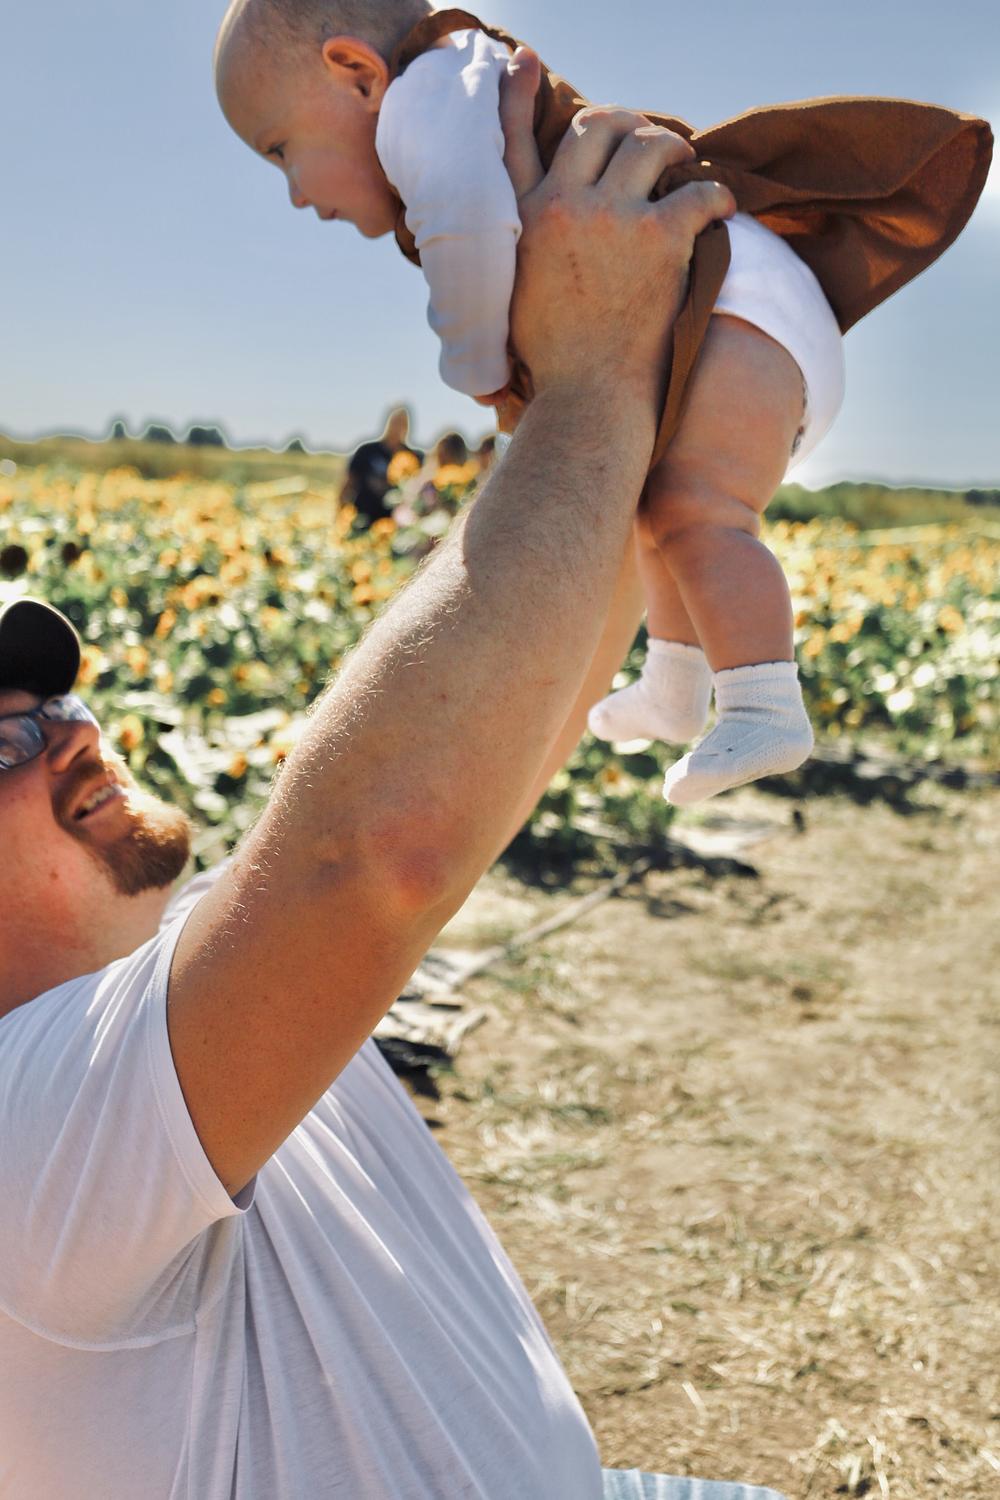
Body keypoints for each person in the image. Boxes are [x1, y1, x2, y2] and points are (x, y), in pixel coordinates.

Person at [0, 68, 788, 1499]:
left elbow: (515, 728)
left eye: (52, 694)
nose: (72, 730)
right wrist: (593, 383)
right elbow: (374, 854)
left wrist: (652, 398)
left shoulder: (179, 994)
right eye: (4, 741)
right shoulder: (24, 1137)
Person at [214, 0, 992, 806]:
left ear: (357, 74)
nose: (295, 194)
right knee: (660, 510)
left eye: (281, 151)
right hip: (741, 306)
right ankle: (675, 684)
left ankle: (763, 707)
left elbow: (467, 222)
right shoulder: (463, 80)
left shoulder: (425, 96)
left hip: (736, 306)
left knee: (702, 512)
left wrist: (476, 361)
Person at [339, 403, 424, 526]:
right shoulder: (367, 451)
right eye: (395, 422)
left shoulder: (415, 458)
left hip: (397, 526)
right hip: (362, 520)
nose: (398, 428)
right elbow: (348, 484)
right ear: (388, 423)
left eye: (402, 423)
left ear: (407, 427)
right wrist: (340, 516)